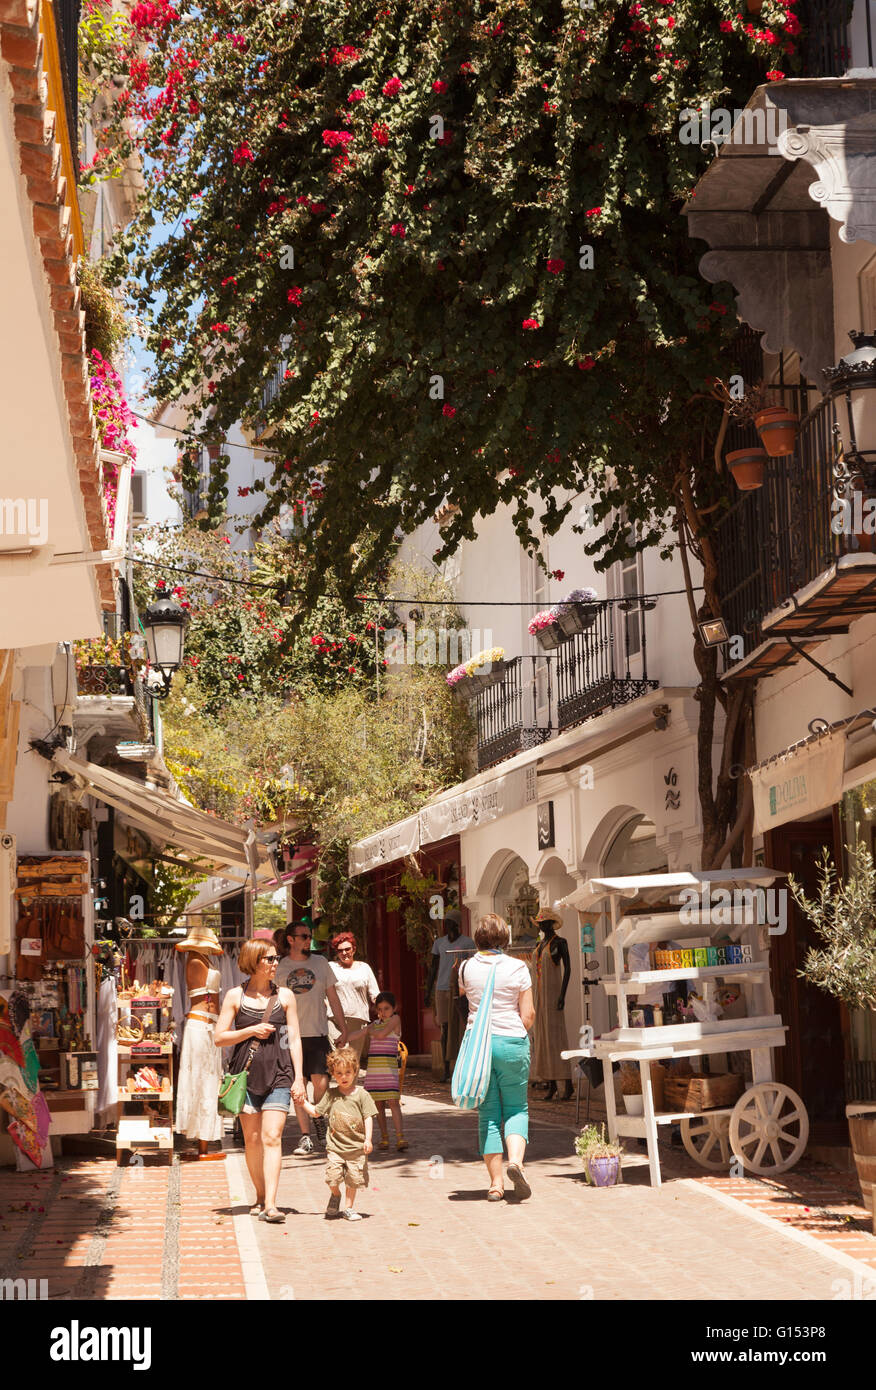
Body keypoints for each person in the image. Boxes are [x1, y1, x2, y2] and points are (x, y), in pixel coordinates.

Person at [214, 938, 305, 1223]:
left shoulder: (286, 997)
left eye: (276, 958)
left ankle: (272, 1204)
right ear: (254, 962)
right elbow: (219, 1037)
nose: (275, 963)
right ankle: (260, 1195)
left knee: (272, 1137)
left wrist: (299, 1077)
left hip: (280, 1073)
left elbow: (295, 1040)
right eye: (270, 959)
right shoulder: (234, 997)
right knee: (252, 1141)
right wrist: (252, 1029)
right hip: (245, 1075)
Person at [458, 913, 535, 1203]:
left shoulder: (465, 967)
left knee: (488, 1114)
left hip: (479, 1046)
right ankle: (515, 1161)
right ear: (506, 937)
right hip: (511, 1041)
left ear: (477, 937)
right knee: (516, 1107)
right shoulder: (518, 967)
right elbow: (528, 1014)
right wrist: (516, 1034)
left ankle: (495, 1184)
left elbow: (465, 997)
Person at [276, 920, 348, 1155]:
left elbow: (333, 997)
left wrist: (343, 1027)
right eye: (304, 936)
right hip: (289, 1034)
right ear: (291, 940)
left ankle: (319, 1119)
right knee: (299, 1086)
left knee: (322, 1083)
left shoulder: (320, 963)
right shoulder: (280, 967)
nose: (309, 940)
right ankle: (305, 1136)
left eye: (309, 936)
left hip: (317, 1032)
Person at [301, 1045, 377, 1221]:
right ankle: (335, 1195)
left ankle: (349, 1208)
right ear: (333, 1074)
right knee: (332, 1178)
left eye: (348, 1072)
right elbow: (316, 1112)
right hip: (335, 1147)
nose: (344, 1077)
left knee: (353, 1180)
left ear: (355, 1071)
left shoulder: (362, 1095)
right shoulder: (331, 1094)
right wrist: (302, 1102)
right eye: (339, 1073)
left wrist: (368, 1139)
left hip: (356, 1148)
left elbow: (368, 1117)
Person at [174, 924, 225, 1160]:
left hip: (208, 1023)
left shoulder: (202, 959)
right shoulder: (196, 961)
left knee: (208, 1079)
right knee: (202, 1079)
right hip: (201, 1024)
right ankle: (200, 1136)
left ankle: (204, 1135)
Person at [352, 991, 407, 1151]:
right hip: (374, 1072)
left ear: (394, 1008)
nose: (383, 1012)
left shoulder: (395, 1019)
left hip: (389, 1072)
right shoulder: (374, 1025)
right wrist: (343, 1037)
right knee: (378, 1106)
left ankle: (400, 1137)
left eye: (387, 1008)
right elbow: (357, 1034)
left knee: (393, 1103)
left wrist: (370, 1031)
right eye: (380, 1009)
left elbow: (382, 1034)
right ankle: (384, 1137)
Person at [425, 910, 476, 1081]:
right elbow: (433, 968)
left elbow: (473, 966)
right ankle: (447, 1069)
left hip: (461, 989)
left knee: (462, 1027)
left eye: (449, 922)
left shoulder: (468, 943)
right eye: (445, 922)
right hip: (442, 989)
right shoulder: (439, 943)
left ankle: (464, 1067)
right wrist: (428, 991)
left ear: (456, 923)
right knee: (445, 1028)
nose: (446, 926)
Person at [530, 906, 574, 1102]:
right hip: (539, 997)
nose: (540, 926)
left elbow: (569, 969)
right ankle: (552, 1083)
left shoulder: (560, 943)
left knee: (556, 1039)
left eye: (543, 923)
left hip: (553, 995)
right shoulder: (540, 946)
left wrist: (562, 995)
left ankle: (567, 1082)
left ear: (549, 924)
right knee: (543, 1040)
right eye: (539, 923)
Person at [328, 932, 379, 1064]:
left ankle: (350, 1085)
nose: (344, 953)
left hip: (358, 1020)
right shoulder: (330, 967)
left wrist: (384, 1011)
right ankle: (343, 1084)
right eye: (340, 950)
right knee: (339, 1059)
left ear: (354, 949)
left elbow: (375, 994)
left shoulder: (364, 968)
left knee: (353, 1061)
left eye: (347, 949)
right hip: (334, 1021)